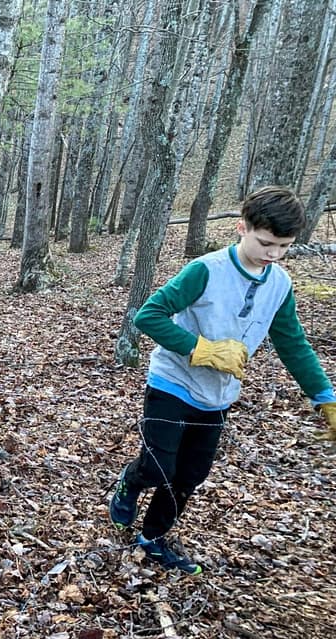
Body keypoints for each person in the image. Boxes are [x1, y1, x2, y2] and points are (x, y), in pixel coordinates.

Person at [109, 186, 336, 575]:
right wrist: (202, 349)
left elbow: (293, 343)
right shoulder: (206, 270)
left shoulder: (279, 285)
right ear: (241, 227)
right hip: (173, 382)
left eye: (283, 247)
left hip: (217, 397)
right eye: (266, 243)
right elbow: (149, 315)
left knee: (189, 477)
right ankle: (131, 481)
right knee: (159, 468)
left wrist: (323, 394)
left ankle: (152, 539)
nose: (273, 254)